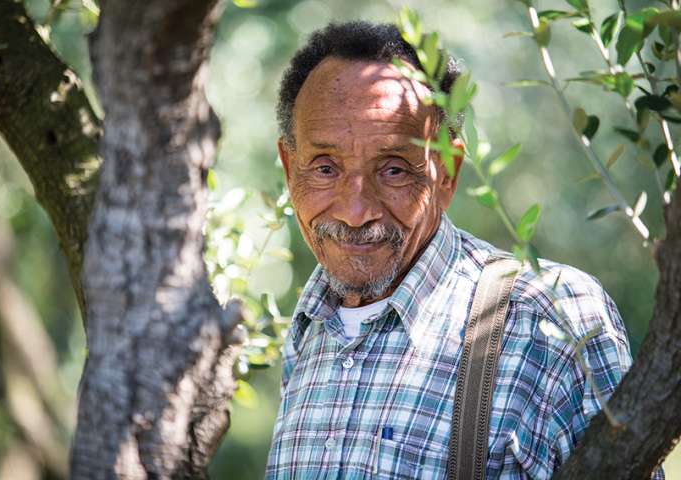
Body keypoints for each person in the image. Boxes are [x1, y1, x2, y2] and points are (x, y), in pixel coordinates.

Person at [264, 21, 662, 479]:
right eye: (325, 168)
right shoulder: (311, 329)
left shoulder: (551, 317)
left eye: (393, 170)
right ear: (290, 167)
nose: (356, 212)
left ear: (447, 172)